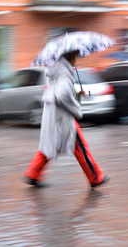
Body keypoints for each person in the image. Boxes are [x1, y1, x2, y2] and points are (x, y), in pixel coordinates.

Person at [23, 51, 110, 188]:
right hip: (62, 117)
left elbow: (60, 91)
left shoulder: (56, 71)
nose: (77, 59)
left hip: (53, 115)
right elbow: (62, 95)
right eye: (76, 56)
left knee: (49, 144)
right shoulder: (64, 73)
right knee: (80, 146)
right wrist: (76, 109)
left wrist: (76, 92)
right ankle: (95, 178)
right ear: (70, 57)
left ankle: (32, 173)